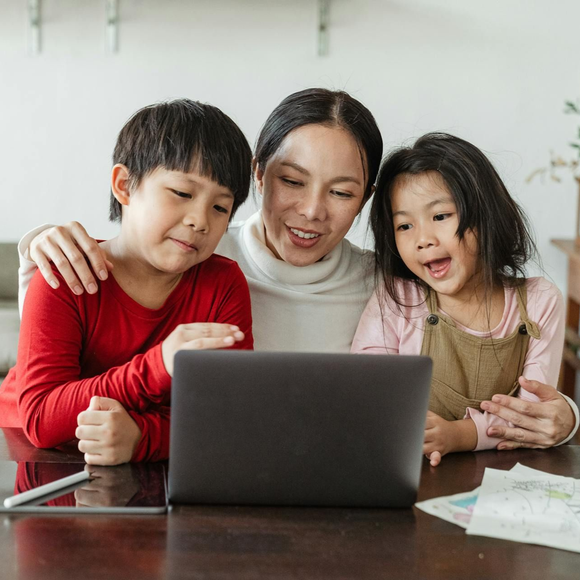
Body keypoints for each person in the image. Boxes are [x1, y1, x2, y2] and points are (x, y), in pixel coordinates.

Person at [16, 90, 579, 450]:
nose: (312, 211)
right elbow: (58, 359)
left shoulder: (390, 289)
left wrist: (567, 417)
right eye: (291, 181)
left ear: (366, 202)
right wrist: (38, 242)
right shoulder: (203, 254)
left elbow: (484, 340)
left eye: (341, 192)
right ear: (257, 175)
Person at [0, 99, 254, 465]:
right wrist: (160, 365)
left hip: (134, 467)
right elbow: (41, 418)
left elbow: (224, 422)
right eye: (182, 193)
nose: (200, 220)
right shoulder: (65, 273)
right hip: (28, 457)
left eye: (220, 207)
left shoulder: (224, 284)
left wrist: (140, 437)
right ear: (124, 185)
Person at [351, 132, 579, 465]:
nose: (423, 239)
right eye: (404, 226)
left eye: (440, 216)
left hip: (504, 480)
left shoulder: (539, 301)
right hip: (407, 473)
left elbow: (531, 417)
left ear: (486, 214)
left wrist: (460, 435)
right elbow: (368, 396)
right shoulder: (397, 298)